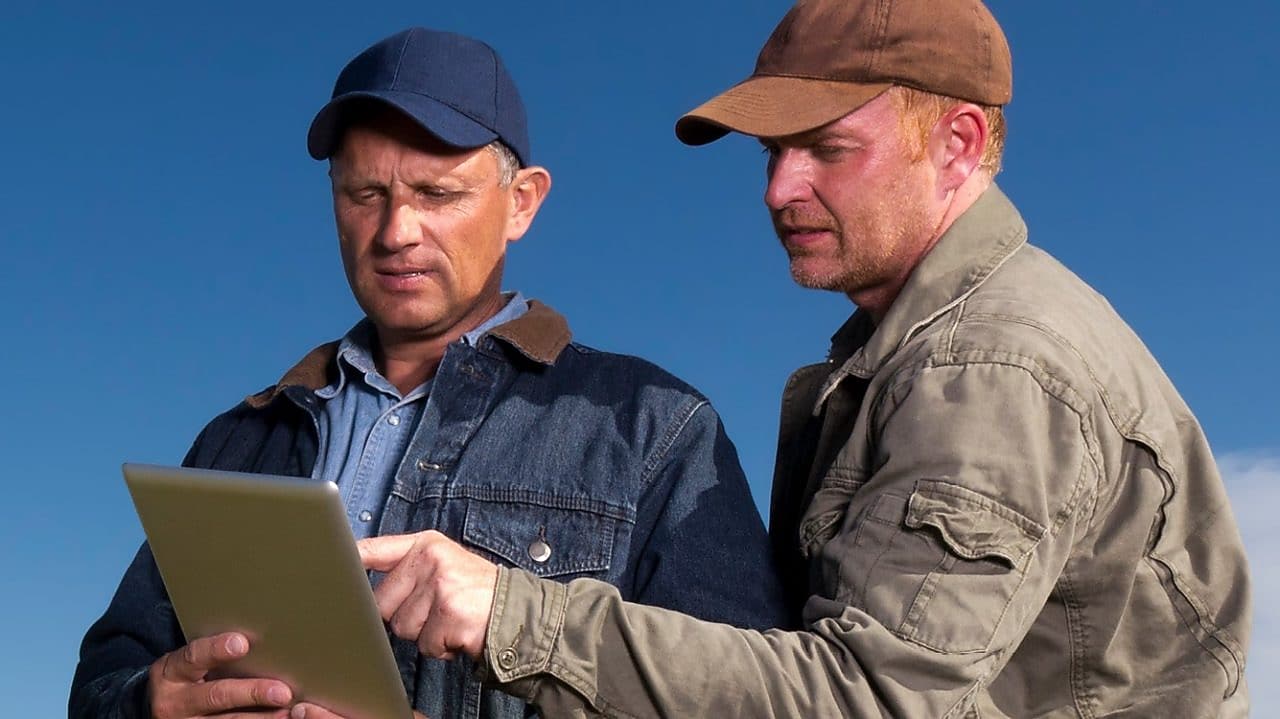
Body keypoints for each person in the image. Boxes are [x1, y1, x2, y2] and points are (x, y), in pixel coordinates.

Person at [334, 2, 1254, 717]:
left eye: (826, 148)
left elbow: (867, 698)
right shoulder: (907, 352)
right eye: (774, 151)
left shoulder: (994, 364)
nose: (780, 188)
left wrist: (511, 615)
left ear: (959, 143)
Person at [68, 27, 788, 719]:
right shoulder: (238, 440)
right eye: (364, 194)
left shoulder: (654, 429)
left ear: (523, 202)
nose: (395, 232)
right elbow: (105, 676)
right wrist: (146, 701)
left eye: (437, 194)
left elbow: (750, 703)